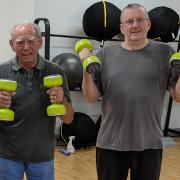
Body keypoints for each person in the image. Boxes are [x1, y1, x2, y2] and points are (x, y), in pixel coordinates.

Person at [78, 3, 180, 180]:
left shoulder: (166, 53)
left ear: (148, 24)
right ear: (121, 27)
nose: (135, 25)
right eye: (129, 21)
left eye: (140, 20)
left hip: (149, 144)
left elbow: (178, 96)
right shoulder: (104, 55)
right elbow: (90, 98)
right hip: (110, 144)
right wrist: (86, 70)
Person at [0, 22, 74, 180]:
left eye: (31, 41)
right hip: (7, 155)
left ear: (40, 42)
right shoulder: (1, 72)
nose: (26, 47)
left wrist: (61, 101)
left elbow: (68, 119)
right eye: (20, 42)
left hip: (43, 155)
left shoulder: (56, 72)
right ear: (12, 45)